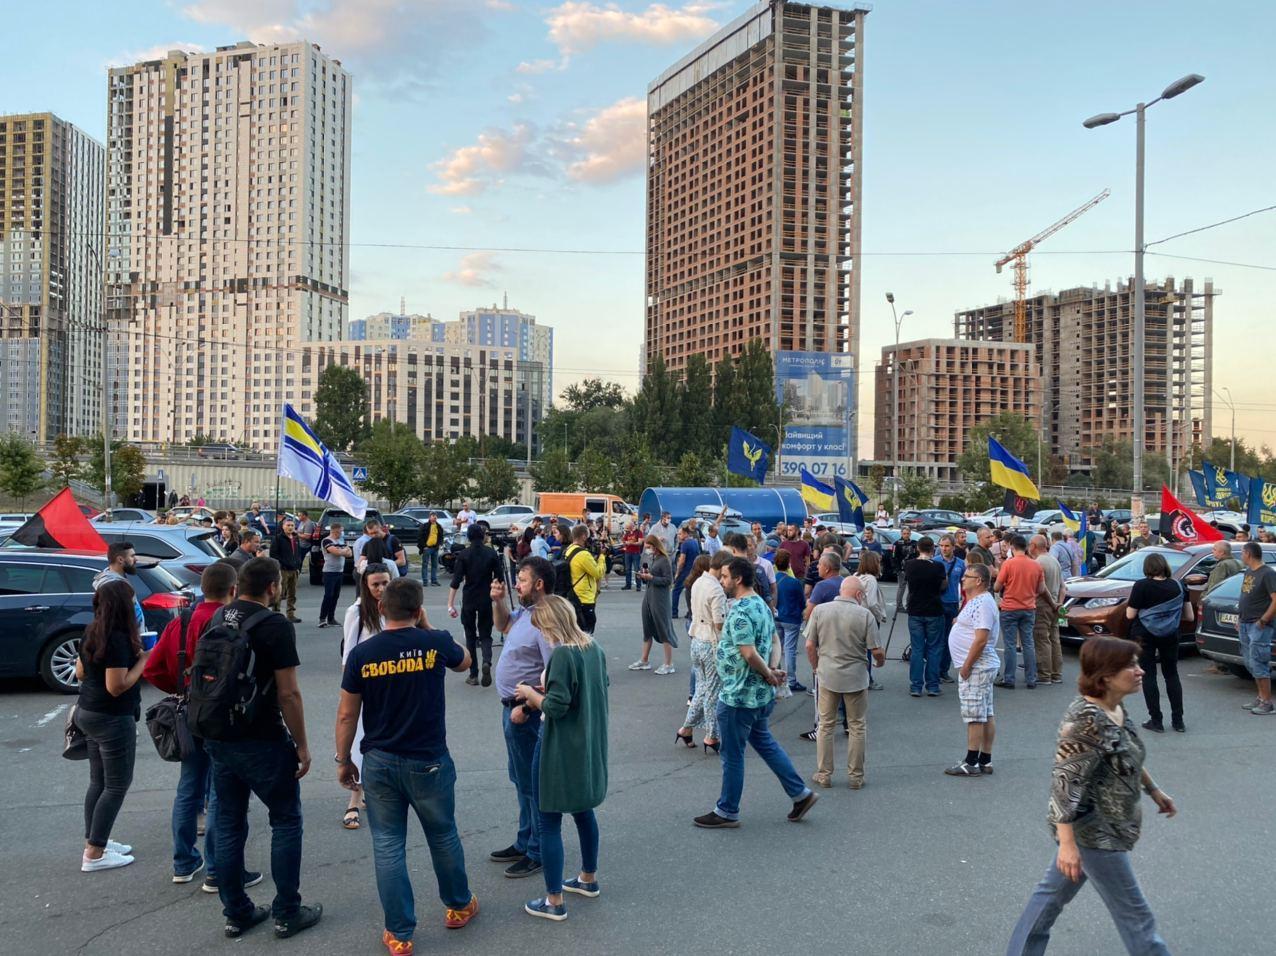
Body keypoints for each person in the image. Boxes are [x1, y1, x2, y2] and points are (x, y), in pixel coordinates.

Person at [1006, 636, 1177, 955]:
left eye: (1138, 663)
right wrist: (1068, 846)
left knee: (1047, 901)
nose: (1139, 671)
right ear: (1106, 675)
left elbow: (1125, 755)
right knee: (1136, 915)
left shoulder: (1113, 707)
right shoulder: (1085, 723)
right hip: (1095, 834)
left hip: (1104, 828)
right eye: (1130, 666)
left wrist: (1153, 790)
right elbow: (1064, 786)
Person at [336, 578, 477, 953]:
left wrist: (344, 760)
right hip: (428, 759)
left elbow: (347, 715)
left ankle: (399, 933)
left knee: (387, 844)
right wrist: (429, 628)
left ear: (381, 609)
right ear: (418, 611)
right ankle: (458, 906)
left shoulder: (363, 654)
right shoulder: (434, 642)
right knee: (443, 835)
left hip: (379, 762)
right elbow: (466, 662)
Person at [205, 557, 322, 940]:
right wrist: (302, 745)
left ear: (238, 585)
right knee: (286, 819)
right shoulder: (274, 625)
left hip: (221, 734)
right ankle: (287, 911)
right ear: (273, 586)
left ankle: (236, 912)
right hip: (262, 738)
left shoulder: (219, 618)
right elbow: (288, 693)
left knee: (228, 823)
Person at [144, 563, 261, 890]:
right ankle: (216, 868)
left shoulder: (181, 622)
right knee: (219, 793)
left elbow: (152, 669)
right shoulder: (229, 622)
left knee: (189, 787)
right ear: (233, 589)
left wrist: (179, 688)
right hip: (222, 716)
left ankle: (183, 862)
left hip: (187, 712)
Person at [693, 558, 818, 829]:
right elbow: (773, 641)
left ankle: (727, 810)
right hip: (759, 695)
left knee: (733, 755)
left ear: (738, 579)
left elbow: (748, 652)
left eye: (725, 576)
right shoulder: (761, 604)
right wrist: (772, 669)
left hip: (739, 694)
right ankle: (800, 793)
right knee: (765, 743)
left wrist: (768, 673)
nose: (722, 580)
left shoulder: (739, 611)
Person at [514, 595, 610, 922]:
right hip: (588, 741)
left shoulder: (562, 656)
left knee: (548, 818)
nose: (542, 635)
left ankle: (553, 900)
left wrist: (529, 694)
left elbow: (555, 707)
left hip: (559, 745)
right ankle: (588, 877)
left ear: (552, 624)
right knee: (584, 811)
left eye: (542, 628)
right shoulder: (593, 648)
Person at [73, 580, 149, 872]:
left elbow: (80, 673)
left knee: (99, 782)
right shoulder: (117, 638)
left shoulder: (92, 630)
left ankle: (95, 840)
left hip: (88, 711)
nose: (135, 605)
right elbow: (116, 686)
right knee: (117, 785)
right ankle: (95, 854)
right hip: (112, 717)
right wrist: (143, 661)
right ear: (123, 605)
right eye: (132, 601)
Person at [490, 556, 556, 881]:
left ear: (539, 584)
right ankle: (524, 840)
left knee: (532, 784)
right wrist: (498, 601)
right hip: (511, 709)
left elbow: (555, 674)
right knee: (520, 780)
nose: (517, 584)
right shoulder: (526, 613)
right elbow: (502, 625)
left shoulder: (546, 620)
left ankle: (537, 851)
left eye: (522, 580)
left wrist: (529, 706)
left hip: (524, 713)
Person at [806, 575, 885, 790]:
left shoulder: (821, 611)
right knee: (857, 725)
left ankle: (824, 773)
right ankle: (855, 776)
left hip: (827, 674)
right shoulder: (865, 615)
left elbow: (810, 645)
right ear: (859, 594)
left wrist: (816, 667)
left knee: (825, 725)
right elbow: (876, 650)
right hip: (856, 676)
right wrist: (880, 661)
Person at [339, 564, 392, 830]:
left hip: (392, 689)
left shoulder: (395, 609)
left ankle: (374, 793)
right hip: (364, 689)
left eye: (385, 583)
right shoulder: (357, 612)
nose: (381, 589)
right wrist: (350, 692)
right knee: (360, 741)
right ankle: (354, 799)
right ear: (365, 586)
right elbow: (348, 656)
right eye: (375, 585)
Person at [1125, 552, 1193, 734]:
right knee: (1171, 674)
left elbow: (1130, 615)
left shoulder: (1141, 586)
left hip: (1144, 635)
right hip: (1170, 635)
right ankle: (1178, 721)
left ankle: (1156, 721)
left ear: (1147, 567)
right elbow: (1189, 616)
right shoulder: (1179, 586)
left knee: (1148, 676)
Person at [943, 564, 1000, 777]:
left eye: (967, 576)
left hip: (978, 665)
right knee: (985, 712)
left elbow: (981, 639)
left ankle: (971, 762)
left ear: (979, 581)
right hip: (980, 664)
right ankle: (985, 759)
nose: (962, 579)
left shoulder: (983, 602)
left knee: (975, 714)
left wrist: (966, 666)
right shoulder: (976, 601)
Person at [678, 552, 729, 751]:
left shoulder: (699, 582)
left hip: (696, 639)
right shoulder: (716, 590)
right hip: (710, 642)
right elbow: (719, 624)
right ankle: (711, 735)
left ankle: (686, 729)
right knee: (712, 691)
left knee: (701, 687)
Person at [448, 524, 503, 687]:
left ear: (469, 537)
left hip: (469, 597)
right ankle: (487, 661)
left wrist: (450, 603)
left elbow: (456, 581)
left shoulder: (463, 555)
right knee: (486, 634)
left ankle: (473, 674)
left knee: (470, 635)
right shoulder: (491, 553)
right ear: (483, 536)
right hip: (486, 597)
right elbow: (499, 578)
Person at [994, 535, 1046, 690]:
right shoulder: (1036, 565)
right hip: (1029, 608)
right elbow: (1042, 589)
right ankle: (1031, 678)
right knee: (1028, 643)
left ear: (1012, 547)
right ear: (1026, 547)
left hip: (1010, 607)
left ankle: (1009, 678)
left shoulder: (1009, 564)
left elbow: (997, 587)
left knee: (1010, 644)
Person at [904, 536, 947, 698]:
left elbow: (908, 583)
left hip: (915, 609)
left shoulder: (910, 565)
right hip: (934, 609)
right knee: (934, 648)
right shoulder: (938, 566)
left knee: (917, 648)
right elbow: (944, 586)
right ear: (932, 549)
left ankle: (916, 686)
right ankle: (933, 686)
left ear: (918, 548)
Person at [1236, 541, 1276, 716]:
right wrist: (1240, 617)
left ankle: (1267, 702)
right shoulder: (1249, 571)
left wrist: (1264, 620)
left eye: (1242, 552)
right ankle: (1260, 697)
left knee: (1259, 661)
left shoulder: (1267, 574)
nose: (1241, 556)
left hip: (1259, 625)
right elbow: (1245, 594)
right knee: (1250, 662)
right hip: (1245, 622)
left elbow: (1275, 599)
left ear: (1248, 554)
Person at [631, 534, 676, 674]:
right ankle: (644, 660)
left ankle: (668, 664)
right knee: (647, 628)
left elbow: (668, 580)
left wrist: (652, 578)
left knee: (664, 628)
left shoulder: (664, 560)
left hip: (660, 598)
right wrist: (644, 576)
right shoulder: (653, 558)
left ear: (655, 546)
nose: (647, 550)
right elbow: (652, 578)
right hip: (649, 596)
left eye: (649, 547)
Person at [1029, 535, 1067, 686]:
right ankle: (1056, 673)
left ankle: (1044, 674)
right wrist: (1058, 604)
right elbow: (1063, 587)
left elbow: (1040, 588)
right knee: (1054, 639)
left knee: (1042, 639)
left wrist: (1051, 603)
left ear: (1033, 546)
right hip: (1056, 604)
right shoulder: (1054, 560)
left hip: (1043, 604)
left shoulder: (1038, 563)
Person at [774, 549, 806, 694]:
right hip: (792, 618)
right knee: (790, 649)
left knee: (777, 649)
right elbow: (802, 602)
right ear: (788, 565)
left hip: (777, 617)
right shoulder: (794, 583)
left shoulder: (773, 581)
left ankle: (777, 676)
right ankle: (791, 679)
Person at [935, 535, 965, 683]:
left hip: (953, 603)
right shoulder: (935, 562)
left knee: (949, 639)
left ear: (953, 547)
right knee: (936, 639)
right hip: (938, 604)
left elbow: (964, 585)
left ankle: (943, 670)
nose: (944, 549)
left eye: (947, 546)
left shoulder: (960, 563)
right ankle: (934, 670)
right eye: (941, 545)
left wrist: (964, 604)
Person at [856, 550, 887, 691]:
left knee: (859, 649)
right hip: (869, 618)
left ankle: (860, 676)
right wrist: (880, 615)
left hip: (855, 616)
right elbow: (872, 602)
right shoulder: (871, 580)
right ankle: (868, 679)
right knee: (870, 648)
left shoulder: (856, 576)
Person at [565, 524, 605, 634]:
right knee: (587, 634)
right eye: (588, 536)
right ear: (583, 536)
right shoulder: (583, 554)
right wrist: (602, 557)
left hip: (572, 595)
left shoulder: (568, 550)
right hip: (584, 598)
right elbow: (598, 573)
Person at [269, 519, 305, 622]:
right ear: (283, 526)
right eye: (288, 525)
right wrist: (282, 564)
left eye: (292, 525)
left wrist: (298, 564)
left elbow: (298, 553)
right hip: (283, 570)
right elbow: (274, 554)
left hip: (294, 569)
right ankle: (276, 613)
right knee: (280, 592)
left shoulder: (295, 538)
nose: (290, 527)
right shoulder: (278, 538)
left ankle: (290, 614)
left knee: (292, 593)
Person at [318, 524, 352, 629]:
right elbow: (336, 552)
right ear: (335, 531)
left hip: (339, 571)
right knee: (328, 595)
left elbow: (350, 553)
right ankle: (322, 619)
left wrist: (343, 552)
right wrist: (342, 551)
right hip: (329, 572)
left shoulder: (341, 540)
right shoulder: (327, 541)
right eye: (340, 531)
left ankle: (331, 618)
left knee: (335, 596)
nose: (342, 533)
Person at [670, 525, 701, 621]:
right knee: (691, 592)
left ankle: (674, 612)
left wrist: (677, 573)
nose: (678, 536)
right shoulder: (695, 542)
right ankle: (690, 612)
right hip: (694, 571)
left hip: (685, 571)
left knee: (676, 591)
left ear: (686, 534)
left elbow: (682, 560)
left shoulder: (685, 544)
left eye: (680, 534)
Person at [417, 513, 445, 587]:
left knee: (434, 565)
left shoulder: (438, 526)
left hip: (435, 548)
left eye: (435, 518)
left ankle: (434, 580)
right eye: (433, 517)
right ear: (429, 518)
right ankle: (425, 581)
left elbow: (441, 536)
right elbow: (420, 537)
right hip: (427, 548)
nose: (434, 519)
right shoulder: (424, 526)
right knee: (425, 565)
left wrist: (439, 544)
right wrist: (424, 546)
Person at [620, 521, 643, 591]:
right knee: (627, 569)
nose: (627, 529)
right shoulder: (627, 533)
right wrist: (624, 542)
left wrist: (631, 543)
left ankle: (638, 586)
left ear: (631, 526)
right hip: (628, 552)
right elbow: (624, 541)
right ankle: (628, 585)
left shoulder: (638, 532)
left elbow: (640, 543)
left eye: (628, 527)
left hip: (636, 553)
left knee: (637, 569)